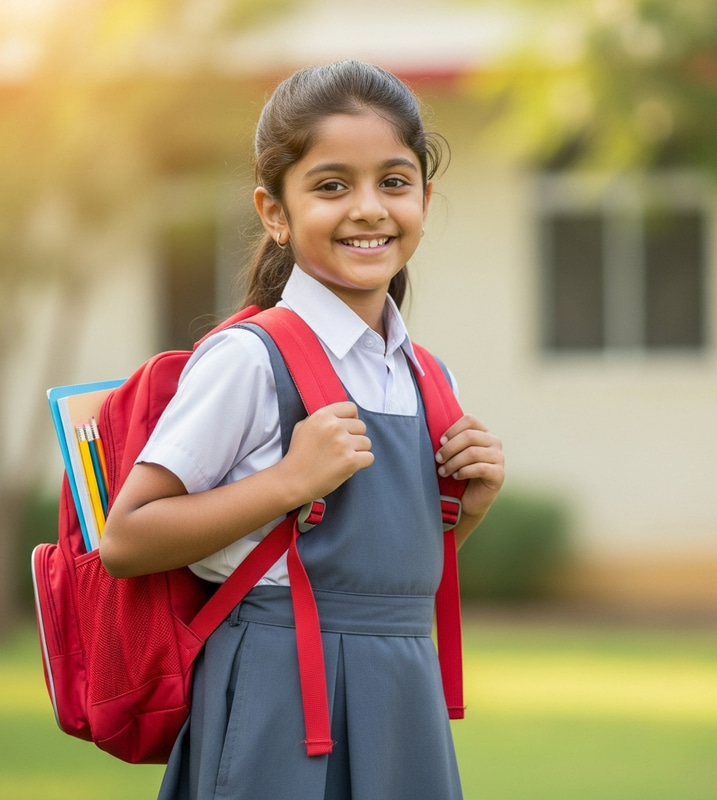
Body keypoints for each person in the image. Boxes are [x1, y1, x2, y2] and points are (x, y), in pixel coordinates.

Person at [100, 60, 504, 800]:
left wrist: (462, 514)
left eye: (392, 181)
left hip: (402, 698)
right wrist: (288, 481)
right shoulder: (249, 360)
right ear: (274, 212)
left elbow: (376, 580)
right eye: (330, 185)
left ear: (424, 197)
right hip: (282, 702)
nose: (368, 208)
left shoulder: (426, 378)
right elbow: (126, 539)